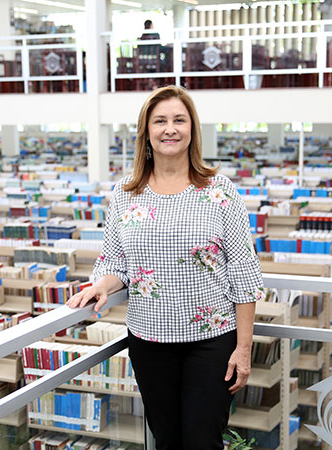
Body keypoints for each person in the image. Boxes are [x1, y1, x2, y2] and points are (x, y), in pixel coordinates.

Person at [67, 86, 263, 450]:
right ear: (147, 132)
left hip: (212, 342)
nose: (169, 128)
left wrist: (244, 348)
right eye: (160, 121)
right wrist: (102, 286)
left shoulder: (219, 190)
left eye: (178, 120)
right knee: (167, 440)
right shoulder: (125, 194)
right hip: (150, 342)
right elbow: (115, 260)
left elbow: (243, 272)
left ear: (192, 129)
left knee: (203, 441)